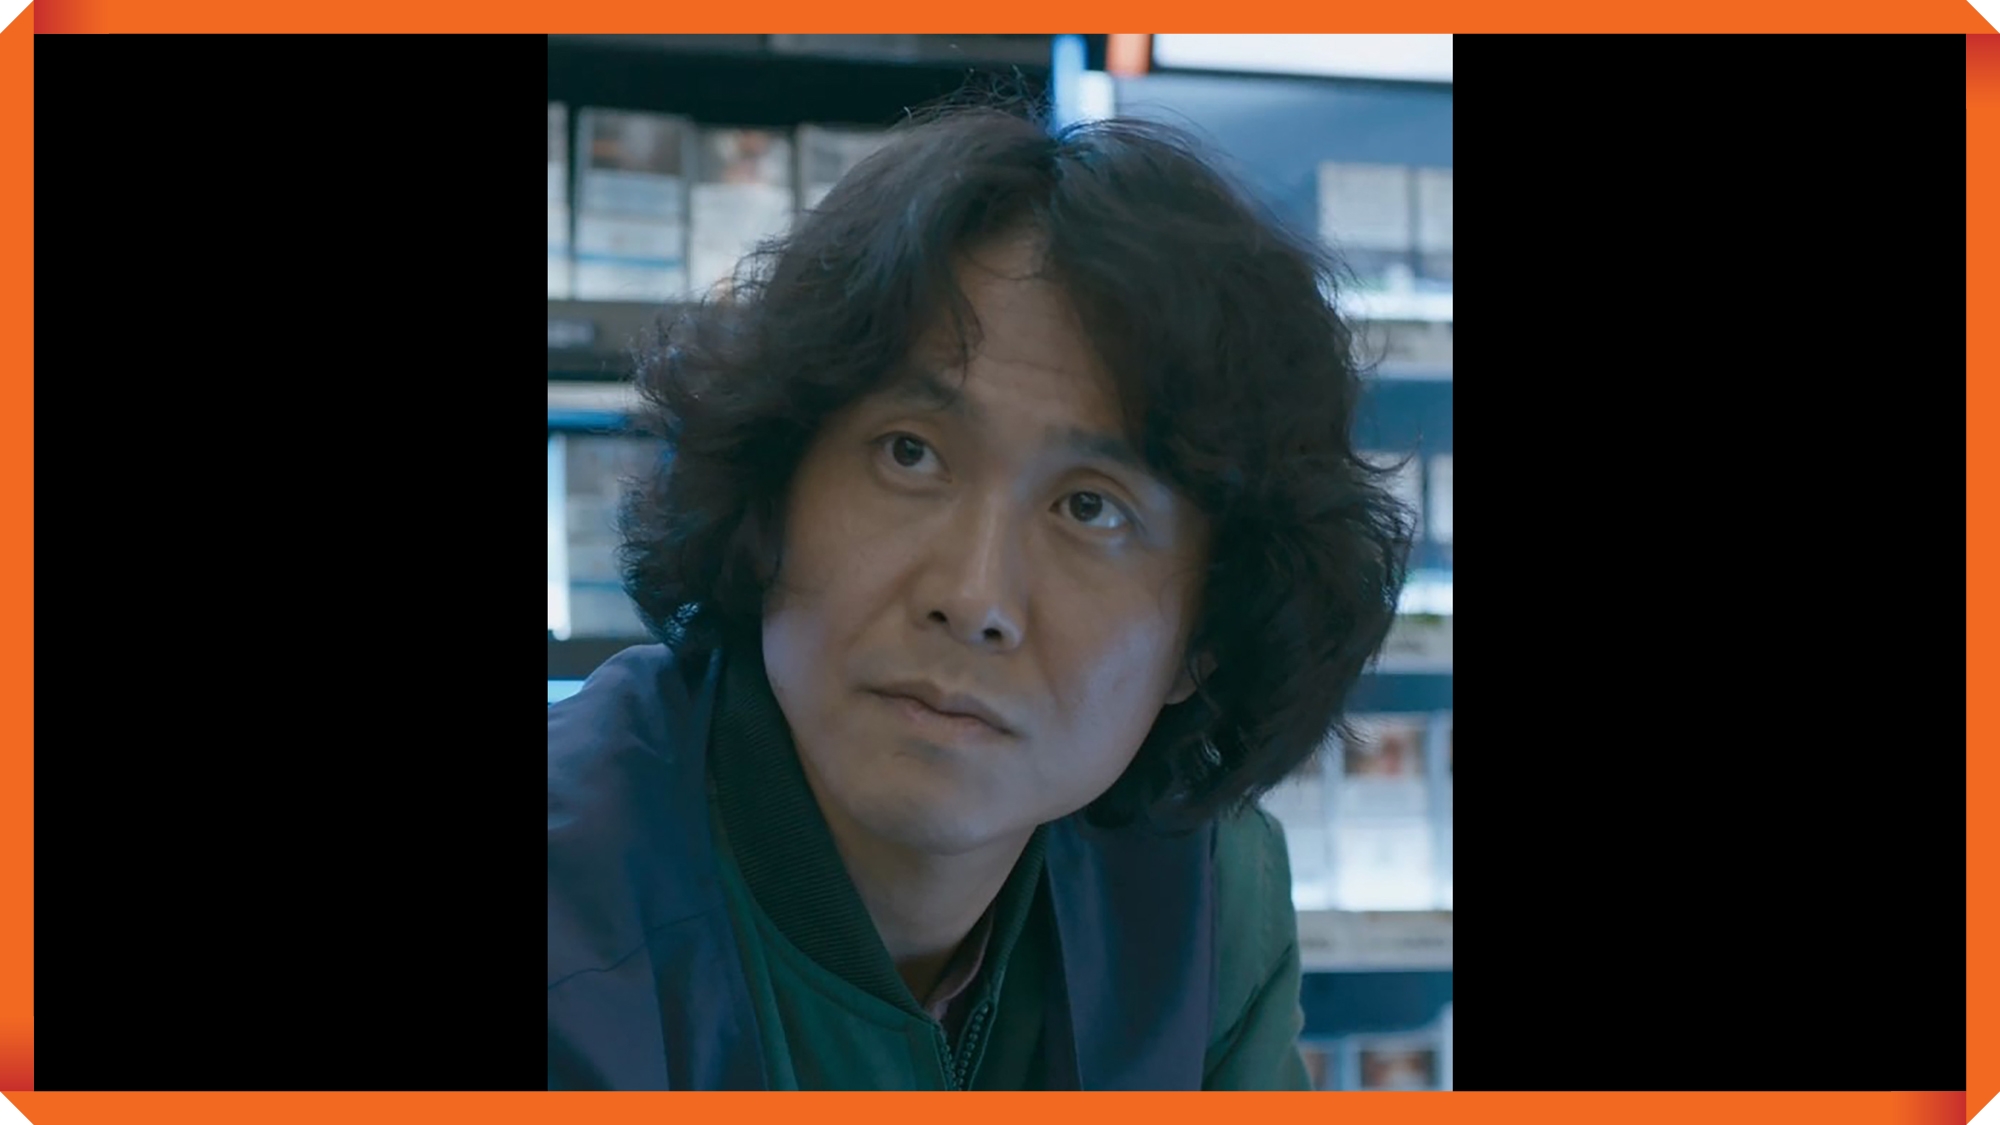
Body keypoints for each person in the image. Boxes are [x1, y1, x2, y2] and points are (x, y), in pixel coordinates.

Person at [547, 103, 1414, 1091]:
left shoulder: (1201, 899)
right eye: (909, 454)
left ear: (1205, 638)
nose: (971, 596)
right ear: (773, 489)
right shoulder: (575, 923)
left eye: (1089, 508)